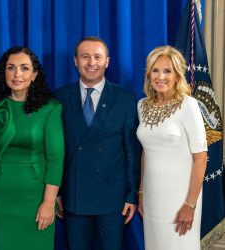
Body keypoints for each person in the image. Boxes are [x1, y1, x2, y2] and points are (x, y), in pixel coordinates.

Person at [54, 36, 141, 250]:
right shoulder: (59, 98)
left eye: (97, 57)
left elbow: (132, 152)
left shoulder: (125, 98)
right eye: (85, 57)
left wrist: (132, 195)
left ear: (107, 61)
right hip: (74, 194)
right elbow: (55, 150)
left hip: (113, 198)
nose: (91, 63)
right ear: (75, 61)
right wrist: (55, 192)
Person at [0, 47, 64, 250]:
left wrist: (48, 203)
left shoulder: (50, 109)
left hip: (36, 196)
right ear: (4, 73)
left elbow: (56, 158)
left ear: (34, 75)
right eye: (11, 68)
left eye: (24, 68)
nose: (17, 74)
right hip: (0, 193)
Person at [137, 45, 207, 250]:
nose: (161, 76)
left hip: (181, 197)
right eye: (155, 70)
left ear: (178, 75)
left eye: (168, 70)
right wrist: (141, 192)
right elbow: (145, 152)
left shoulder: (189, 105)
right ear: (149, 74)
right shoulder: (142, 105)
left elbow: (201, 158)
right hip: (152, 195)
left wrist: (190, 204)